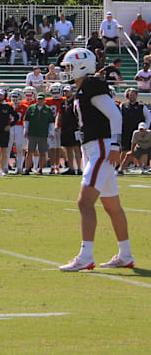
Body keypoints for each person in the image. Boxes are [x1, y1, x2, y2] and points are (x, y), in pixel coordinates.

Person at [58, 48, 134, 272]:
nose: (67, 71)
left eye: (70, 66)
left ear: (82, 66)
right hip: (93, 147)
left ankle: (85, 256)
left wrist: (115, 144)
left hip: (101, 146)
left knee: (84, 202)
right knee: (112, 206)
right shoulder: (83, 88)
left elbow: (115, 115)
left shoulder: (91, 85)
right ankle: (126, 254)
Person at [23, 92, 55, 175]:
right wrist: (25, 130)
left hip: (43, 134)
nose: (40, 100)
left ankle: (40, 169)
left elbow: (51, 122)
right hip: (32, 133)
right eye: (38, 99)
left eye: (41, 99)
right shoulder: (31, 108)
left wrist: (52, 133)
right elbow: (26, 120)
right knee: (29, 151)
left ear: (44, 99)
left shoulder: (48, 109)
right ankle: (27, 169)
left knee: (42, 152)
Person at [119, 88, 151, 170]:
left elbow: (148, 117)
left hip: (137, 131)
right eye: (130, 95)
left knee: (138, 150)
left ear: (136, 96)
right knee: (124, 149)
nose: (132, 96)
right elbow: (118, 117)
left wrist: (145, 127)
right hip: (126, 130)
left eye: (133, 95)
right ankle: (121, 167)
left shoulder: (141, 106)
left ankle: (141, 167)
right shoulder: (123, 105)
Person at [57, 85, 83, 175]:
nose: (66, 93)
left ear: (72, 92)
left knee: (76, 147)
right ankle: (71, 168)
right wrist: (57, 124)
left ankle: (79, 168)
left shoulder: (75, 102)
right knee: (68, 148)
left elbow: (79, 113)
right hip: (65, 127)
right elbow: (60, 114)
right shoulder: (63, 103)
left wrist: (80, 124)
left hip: (74, 127)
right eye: (65, 91)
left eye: (67, 91)